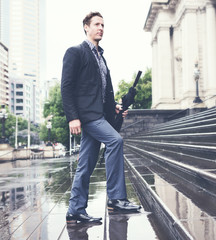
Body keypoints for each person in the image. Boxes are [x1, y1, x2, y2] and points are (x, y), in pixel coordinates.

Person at [61, 11, 141, 224]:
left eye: (103, 25)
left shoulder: (101, 58)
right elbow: (67, 87)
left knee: (85, 163)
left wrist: (114, 107)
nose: (101, 28)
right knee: (115, 141)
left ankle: (75, 210)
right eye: (97, 24)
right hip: (87, 116)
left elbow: (102, 91)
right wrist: (72, 117)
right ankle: (116, 199)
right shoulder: (75, 52)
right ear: (86, 27)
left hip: (99, 114)